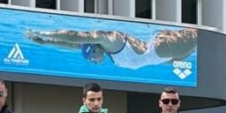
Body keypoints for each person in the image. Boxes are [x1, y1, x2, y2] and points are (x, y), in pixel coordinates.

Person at [25, 28, 197, 69]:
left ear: (94, 48)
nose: (94, 60)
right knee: (198, 47)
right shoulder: (106, 51)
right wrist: (46, 43)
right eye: (91, 60)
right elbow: (71, 46)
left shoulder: (111, 41)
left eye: (92, 56)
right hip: (163, 59)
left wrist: (45, 33)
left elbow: (74, 36)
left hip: (160, 48)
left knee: (200, 37)